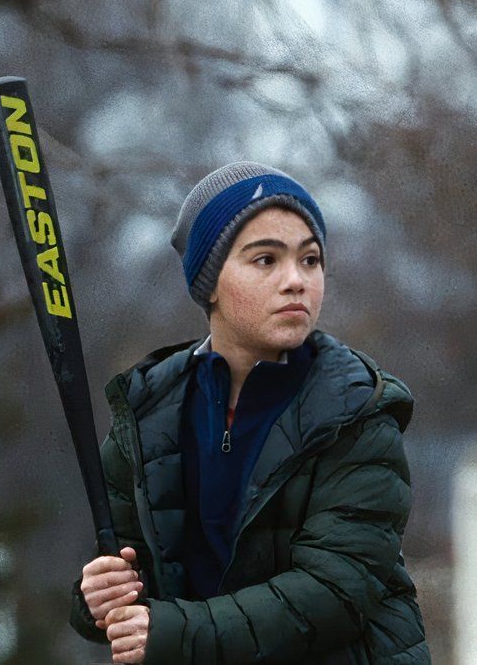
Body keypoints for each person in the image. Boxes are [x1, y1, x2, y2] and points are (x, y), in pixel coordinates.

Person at [67, 162, 429, 663]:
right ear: (209, 280)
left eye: (310, 259)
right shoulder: (147, 410)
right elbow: (133, 571)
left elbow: (332, 595)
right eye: (266, 260)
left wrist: (174, 633)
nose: (296, 281)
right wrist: (97, 599)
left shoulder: (360, 411)